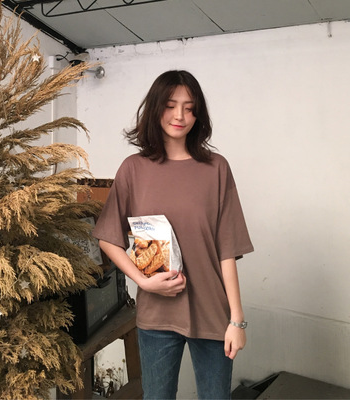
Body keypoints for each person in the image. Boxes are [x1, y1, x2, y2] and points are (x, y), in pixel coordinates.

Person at [92, 70, 254, 400]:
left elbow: (227, 249)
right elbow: (108, 236)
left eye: (189, 108)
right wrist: (143, 281)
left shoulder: (216, 168)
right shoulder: (133, 169)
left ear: (198, 114)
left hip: (212, 313)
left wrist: (237, 320)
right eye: (170, 105)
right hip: (156, 314)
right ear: (155, 108)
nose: (180, 115)